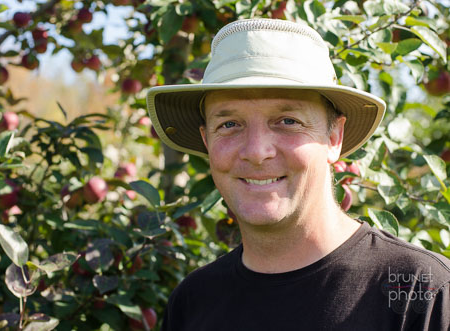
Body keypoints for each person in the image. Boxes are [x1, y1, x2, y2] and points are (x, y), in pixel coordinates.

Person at [146, 19, 449, 330]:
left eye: (287, 121)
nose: (256, 151)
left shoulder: (421, 293)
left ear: (334, 138)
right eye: (229, 124)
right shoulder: (193, 301)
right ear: (207, 141)